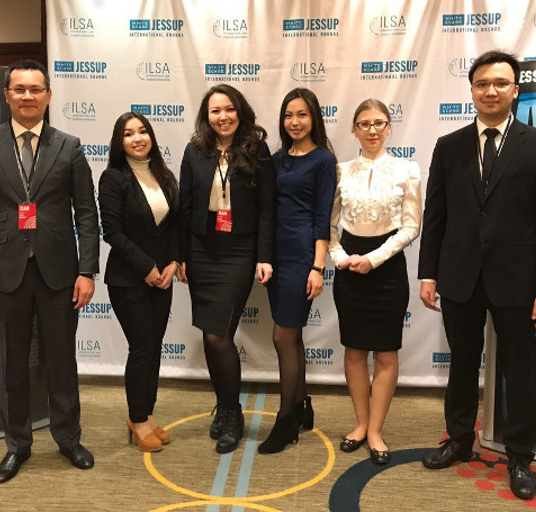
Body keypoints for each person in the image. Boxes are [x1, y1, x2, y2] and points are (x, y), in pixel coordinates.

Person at [418, 50, 536, 500]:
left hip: (518, 280)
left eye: (501, 83)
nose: (491, 91)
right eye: (482, 83)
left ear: (515, 90)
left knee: (519, 371)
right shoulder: (449, 146)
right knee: (462, 365)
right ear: (472, 90)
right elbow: (435, 215)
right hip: (459, 275)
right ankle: (460, 440)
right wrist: (428, 274)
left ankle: (519, 456)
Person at [0, 59, 98, 483]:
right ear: (7, 95)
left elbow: (87, 214)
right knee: (12, 365)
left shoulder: (69, 146)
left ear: (48, 96)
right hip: (5, 273)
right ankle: (17, 446)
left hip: (60, 273)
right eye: (19, 89)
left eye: (35, 89)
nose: (27, 96)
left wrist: (88, 270)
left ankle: (68, 439)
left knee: (62, 362)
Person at [178, 84, 274, 454]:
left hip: (239, 250)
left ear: (240, 111)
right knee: (211, 334)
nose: (223, 117)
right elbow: (185, 206)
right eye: (215, 111)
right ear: (207, 116)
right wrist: (181, 256)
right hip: (202, 250)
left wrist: (264, 255)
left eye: (229, 109)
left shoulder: (256, 149)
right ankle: (224, 404)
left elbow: (266, 209)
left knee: (218, 335)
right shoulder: (195, 151)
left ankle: (233, 413)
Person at [329, 99, 421, 465]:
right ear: (353, 129)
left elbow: (412, 226)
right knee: (354, 350)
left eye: (379, 123)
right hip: (349, 268)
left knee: (385, 351)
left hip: (388, 269)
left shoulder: (407, 169)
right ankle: (361, 424)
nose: (372, 130)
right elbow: (327, 226)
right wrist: (340, 258)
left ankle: (376, 431)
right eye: (364, 123)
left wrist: (374, 259)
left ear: (389, 128)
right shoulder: (339, 171)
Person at [258, 88, 336, 454]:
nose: (295, 121)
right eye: (289, 115)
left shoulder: (323, 160)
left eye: (302, 114)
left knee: (282, 337)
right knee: (291, 338)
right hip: (276, 256)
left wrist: (318, 266)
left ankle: (286, 418)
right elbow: (266, 211)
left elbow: (323, 217)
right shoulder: (275, 160)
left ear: (314, 118)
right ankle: (302, 406)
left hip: (303, 255)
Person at [98, 112, 180, 453]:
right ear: (120, 142)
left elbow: (175, 225)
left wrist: (174, 262)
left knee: (154, 346)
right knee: (142, 347)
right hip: (128, 279)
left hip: (163, 278)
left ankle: (147, 413)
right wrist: (146, 267)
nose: (137, 138)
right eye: (129, 133)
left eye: (143, 131)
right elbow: (112, 232)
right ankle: (137, 418)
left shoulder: (163, 174)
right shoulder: (112, 178)